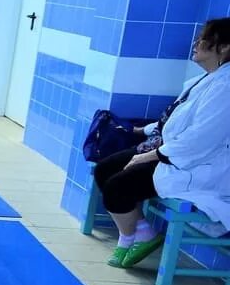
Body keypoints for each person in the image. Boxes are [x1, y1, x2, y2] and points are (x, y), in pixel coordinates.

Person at [93, 17, 230, 267]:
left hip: (194, 166)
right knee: (104, 169)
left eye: (204, 39)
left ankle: (128, 237)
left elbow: (198, 141)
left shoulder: (225, 87)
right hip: (172, 154)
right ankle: (143, 231)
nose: (196, 43)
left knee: (117, 186)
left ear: (224, 48)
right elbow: (175, 119)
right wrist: (140, 131)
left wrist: (146, 156)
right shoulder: (208, 80)